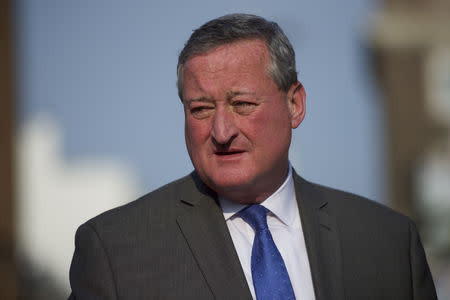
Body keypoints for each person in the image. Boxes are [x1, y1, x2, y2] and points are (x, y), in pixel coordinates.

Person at [68, 13, 437, 300]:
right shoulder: (116, 251)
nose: (222, 132)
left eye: (242, 104)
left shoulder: (387, 242)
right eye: (200, 110)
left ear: (295, 104)